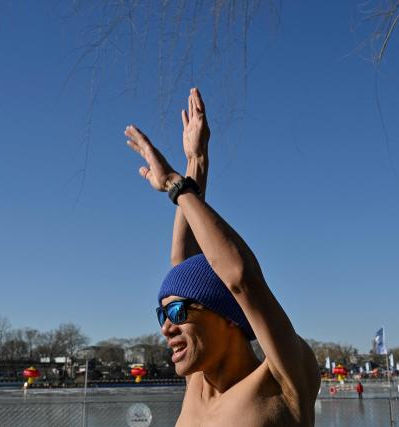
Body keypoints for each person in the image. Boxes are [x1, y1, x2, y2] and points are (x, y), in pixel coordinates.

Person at [126, 88, 320, 426]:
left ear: (229, 313)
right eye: (162, 314)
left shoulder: (283, 380)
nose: (166, 327)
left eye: (176, 311)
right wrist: (196, 162)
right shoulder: (198, 383)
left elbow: (239, 278)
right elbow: (183, 263)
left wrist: (176, 184)